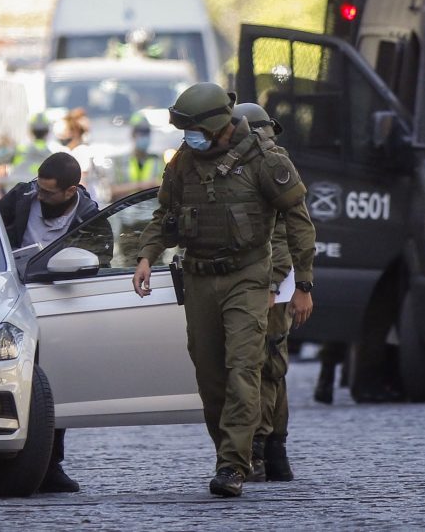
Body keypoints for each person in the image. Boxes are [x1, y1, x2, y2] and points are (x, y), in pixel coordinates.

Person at [132, 83, 317, 498]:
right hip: (198, 277)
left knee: (244, 368)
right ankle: (227, 452)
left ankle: (234, 465)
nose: (188, 137)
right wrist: (145, 255)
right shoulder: (184, 162)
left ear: (216, 126)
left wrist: (302, 283)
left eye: (193, 130)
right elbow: (165, 214)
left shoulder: (265, 160)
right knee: (210, 375)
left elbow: (298, 221)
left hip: (248, 277)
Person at [0, 151, 99, 493]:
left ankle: (50, 463)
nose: (39, 196)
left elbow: (99, 261)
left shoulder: (89, 217)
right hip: (11, 297)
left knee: (52, 385)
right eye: (38, 188)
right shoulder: (22, 197)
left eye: (48, 192)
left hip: (58, 302)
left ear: (71, 191)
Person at [232, 102, 295, 483]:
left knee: (264, 366)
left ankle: (260, 449)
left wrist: (274, 283)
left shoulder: (268, 166)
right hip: (270, 281)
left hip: (271, 282)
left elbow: (283, 234)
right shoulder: (271, 163)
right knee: (271, 367)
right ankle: (273, 452)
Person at [56, 107, 109, 203]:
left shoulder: (81, 151)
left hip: (84, 202)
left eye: (65, 131)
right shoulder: (70, 151)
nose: (61, 136)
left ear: (75, 132)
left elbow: (81, 183)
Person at [110, 111, 164, 200]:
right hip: (126, 208)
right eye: (141, 132)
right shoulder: (120, 161)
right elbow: (111, 191)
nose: (145, 136)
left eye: (147, 132)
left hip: (152, 207)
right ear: (133, 134)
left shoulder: (157, 160)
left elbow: (168, 186)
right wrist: (141, 185)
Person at [3, 112, 57, 190]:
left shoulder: (19, 149)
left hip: (15, 191)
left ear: (30, 131)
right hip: (38, 192)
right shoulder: (52, 155)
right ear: (47, 132)